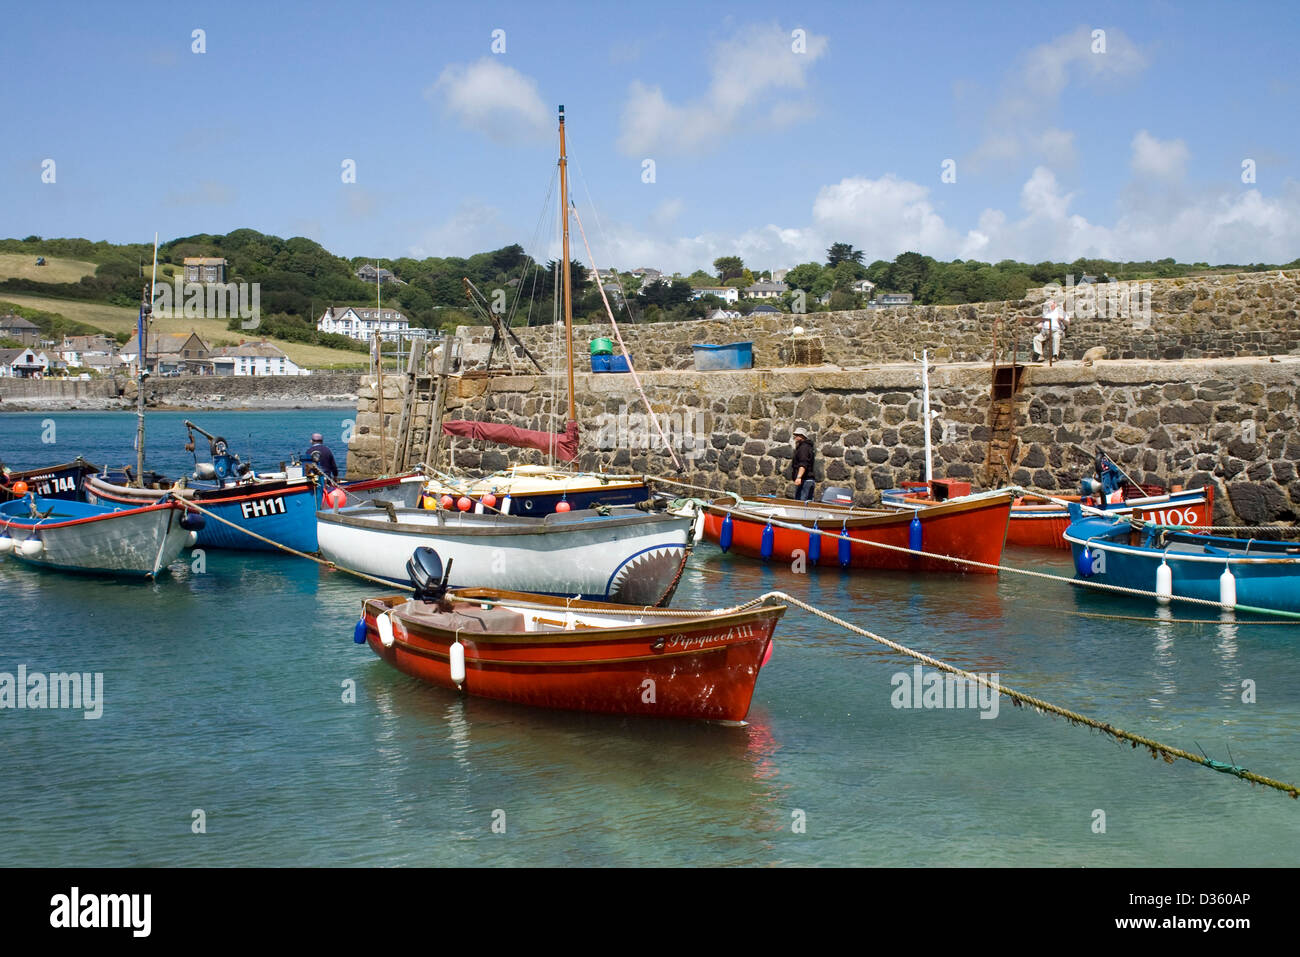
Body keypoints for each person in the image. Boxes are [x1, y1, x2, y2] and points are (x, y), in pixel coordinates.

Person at [790, 425, 815, 501]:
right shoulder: (807, 447)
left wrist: (799, 477)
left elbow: (803, 464)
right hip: (807, 481)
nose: (795, 437)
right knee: (806, 505)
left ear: (802, 436)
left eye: (797, 435)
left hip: (805, 481)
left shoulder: (803, 448)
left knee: (800, 504)